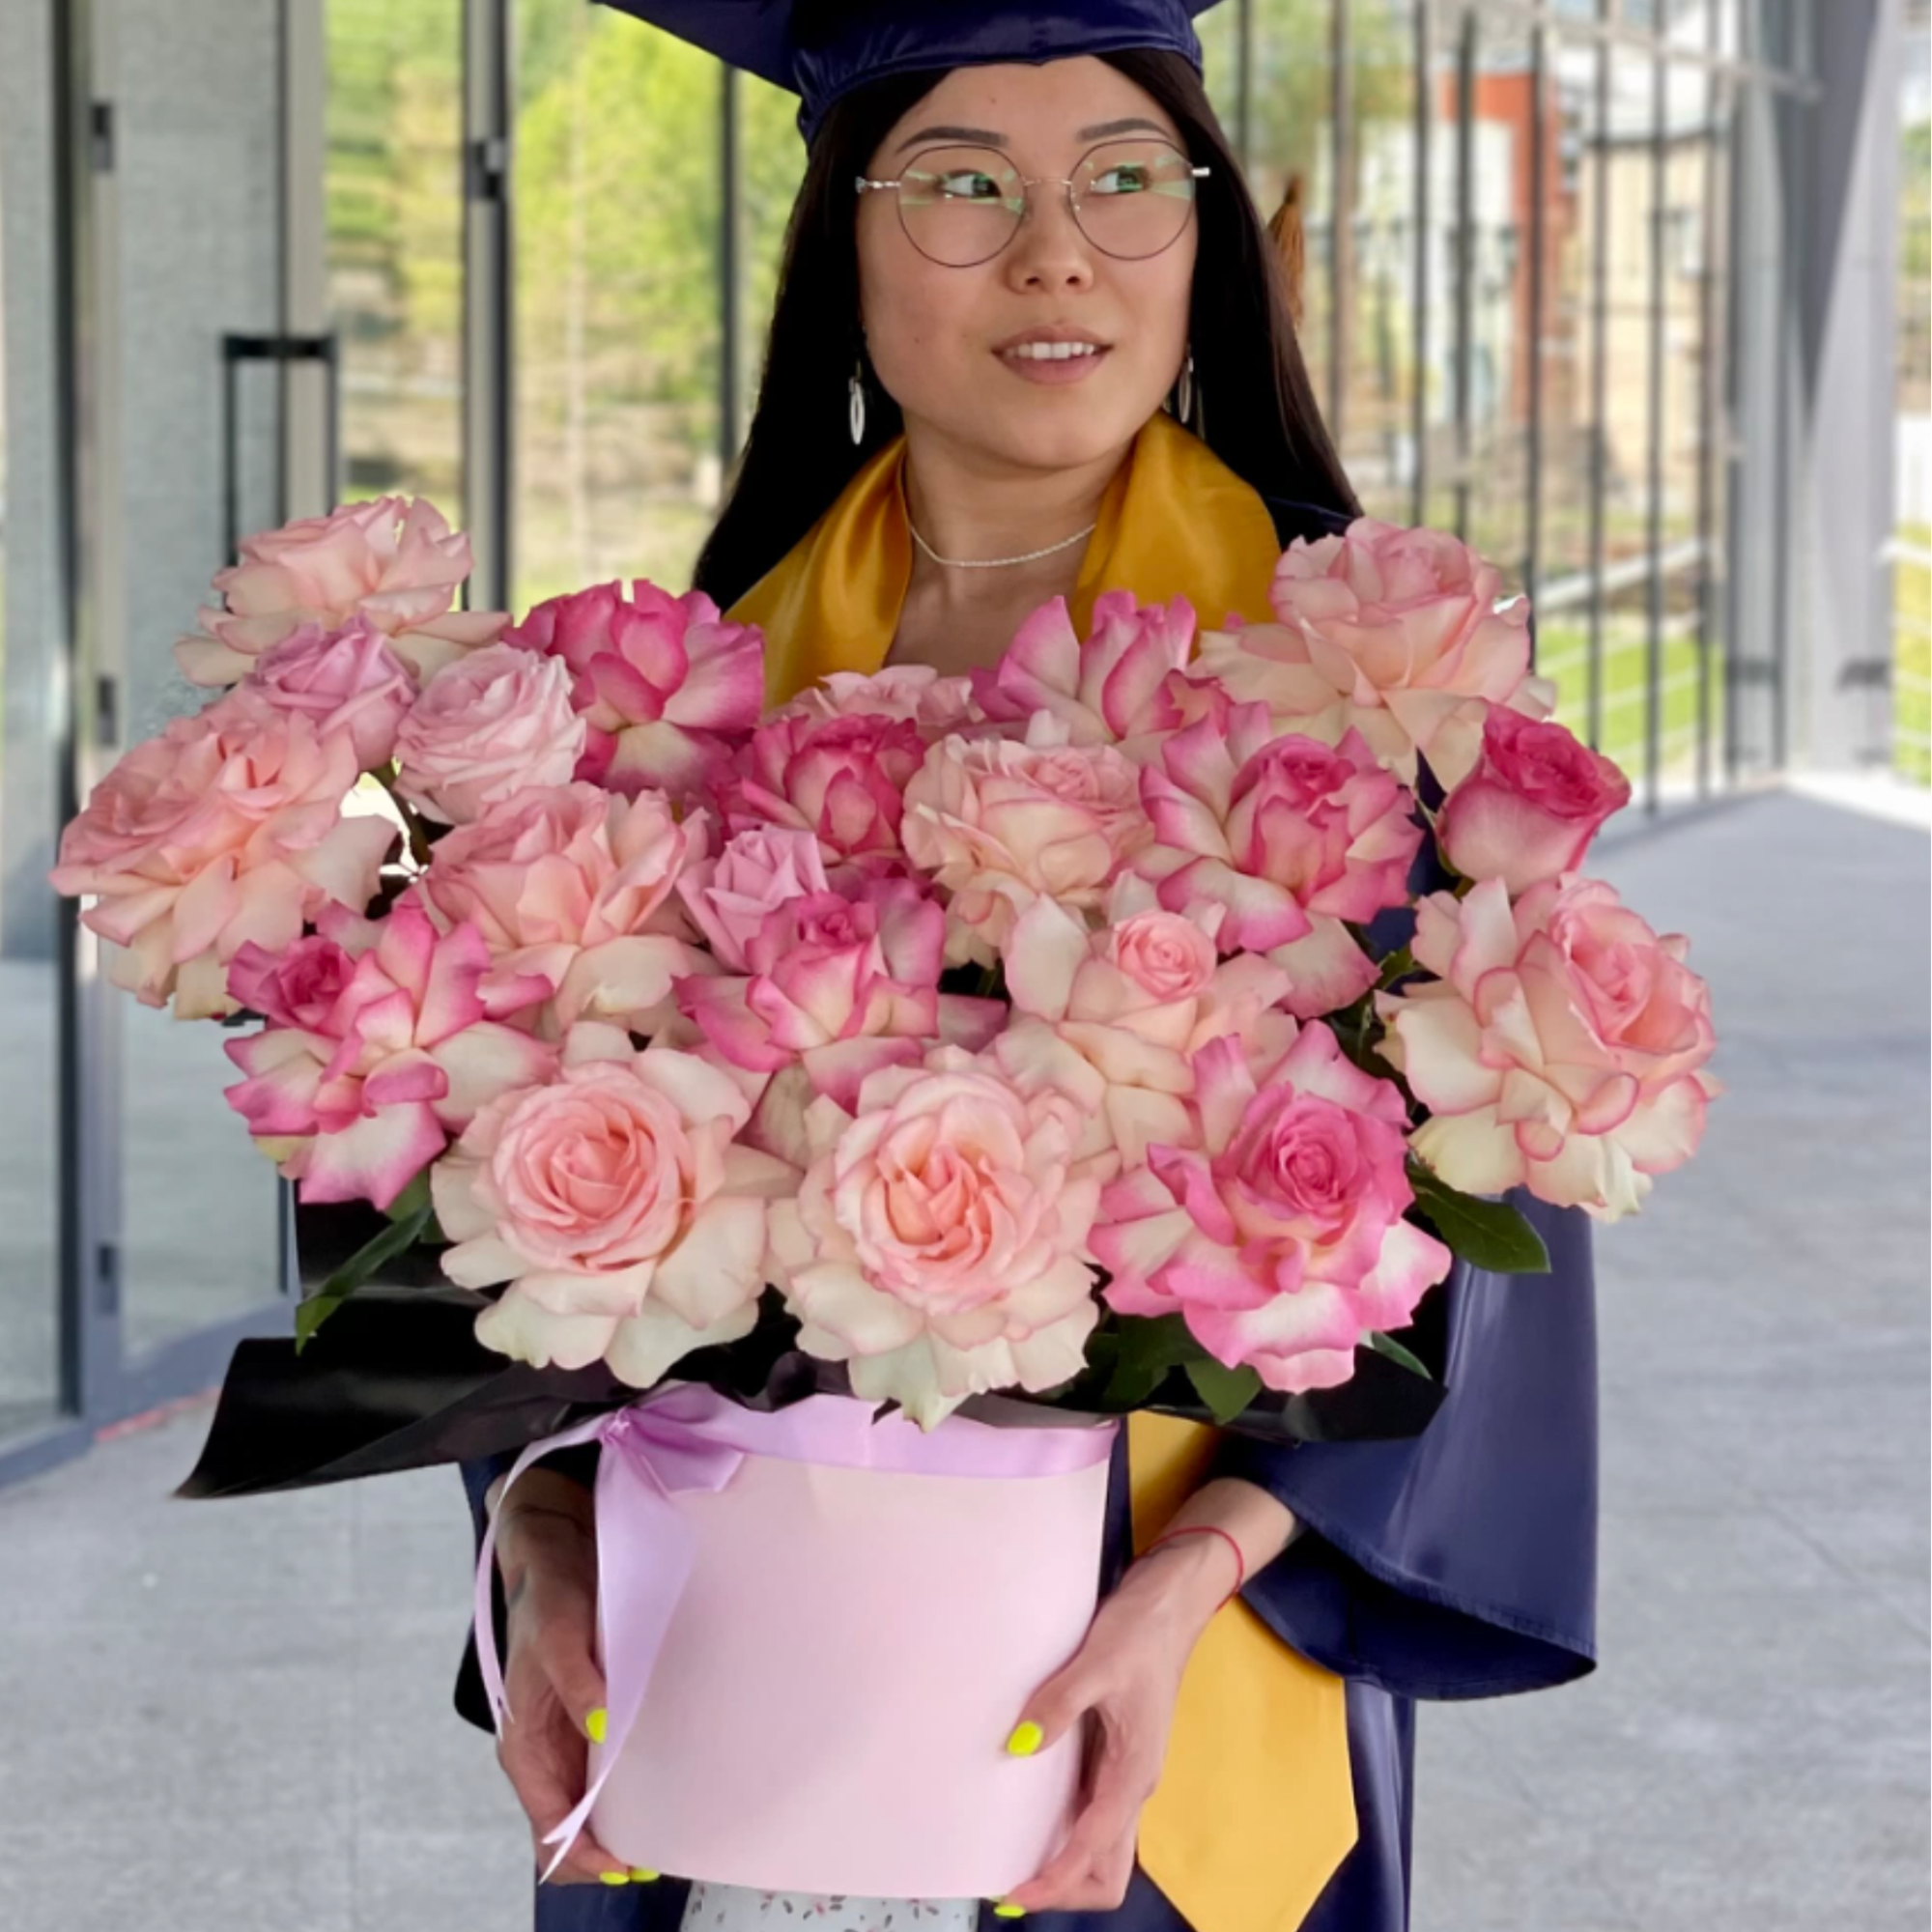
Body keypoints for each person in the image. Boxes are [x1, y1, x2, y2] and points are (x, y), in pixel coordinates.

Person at [458, 6, 1599, 1930]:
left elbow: (1494, 1256)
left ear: (1200, 239)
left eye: (1125, 182)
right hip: (732, 1668)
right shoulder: (681, 686)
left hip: (1169, 1674)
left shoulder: (1352, 671)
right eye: (966, 185)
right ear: (843, 245)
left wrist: (1188, 1577)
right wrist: (539, 1521)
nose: (1057, 251)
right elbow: (498, 1176)